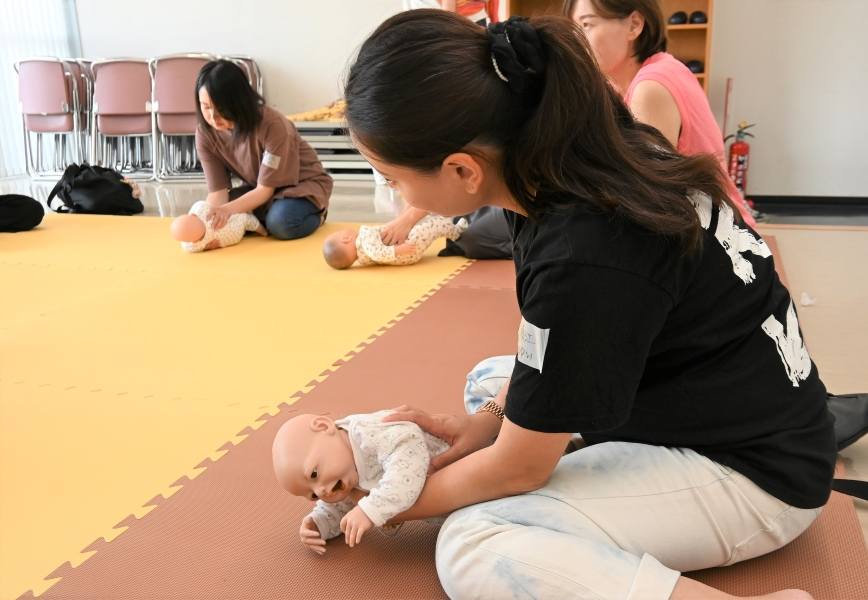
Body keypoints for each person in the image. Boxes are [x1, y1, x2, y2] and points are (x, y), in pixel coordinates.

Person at [343, 11, 834, 600]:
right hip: (719, 400)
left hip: (753, 474)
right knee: (490, 386)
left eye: (394, 181)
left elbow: (520, 469)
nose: (398, 198)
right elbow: (541, 346)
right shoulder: (577, 154)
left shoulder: (587, 251)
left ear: (463, 169)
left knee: (474, 541)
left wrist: (389, 506)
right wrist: (489, 423)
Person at [564, 0, 758, 228]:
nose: (576, 39)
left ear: (634, 25)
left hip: (725, 245)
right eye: (572, 28)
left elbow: (644, 201)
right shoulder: (617, 87)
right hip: (700, 229)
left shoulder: (651, 87)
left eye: (587, 25)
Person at [272, 411, 449, 554]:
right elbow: (344, 506)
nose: (321, 491)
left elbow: (407, 466)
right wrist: (320, 523)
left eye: (314, 473)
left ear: (324, 426)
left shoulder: (370, 434)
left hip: (465, 471)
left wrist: (371, 509)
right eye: (313, 495)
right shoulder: (345, 471)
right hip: (451, 510)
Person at [194, 60, 333, 241]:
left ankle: (318, 214)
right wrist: (209, 228)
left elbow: (265, 190)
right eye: (205, 107)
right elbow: (217, 193)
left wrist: (226, 211)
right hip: (257, 188)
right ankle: (256, 218)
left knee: (281, 223)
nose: (213, 117)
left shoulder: (273, 125)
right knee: (211, 214)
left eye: (220, 108)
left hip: (301, 186)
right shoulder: (205, 133)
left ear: (238, 101)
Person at [323, 214, 467, 269]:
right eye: (339, 232)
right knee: (431, 226)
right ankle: (456, 232)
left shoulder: (363, 252)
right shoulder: (364, 242)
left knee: (426, 225)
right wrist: (399, 250)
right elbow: (379, 253)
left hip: (404, 248)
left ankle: (447, 224)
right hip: (407, 247)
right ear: (345, 238)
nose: (342, 230)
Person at [170, 200, 267, 253]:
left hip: (231, 237)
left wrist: (206, 248)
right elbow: (203, 204)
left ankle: (261, 230)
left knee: (244, 219)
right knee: (245, 218)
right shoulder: (201, 211)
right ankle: (264, 232)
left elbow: (196, 248)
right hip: (231, 229)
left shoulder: (194, 246)